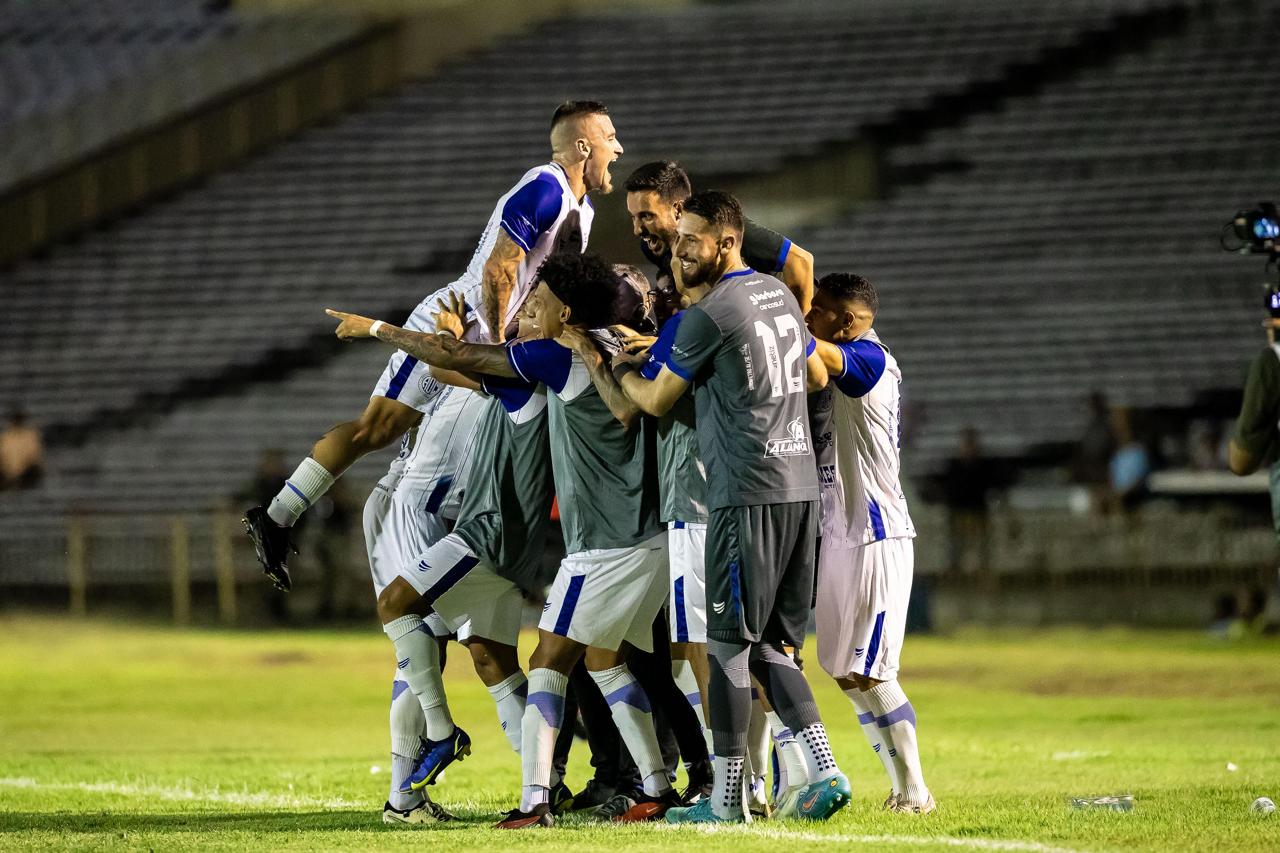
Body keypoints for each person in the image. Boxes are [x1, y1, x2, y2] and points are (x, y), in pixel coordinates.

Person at [613, 190, 849, 824]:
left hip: (743, 492)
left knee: (726, 648)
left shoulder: (710, 312)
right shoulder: (776, 296)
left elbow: (657, 401)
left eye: (692, 238)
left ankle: (725, 799)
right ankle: (825, 771)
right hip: (798, 489)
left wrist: (615, 370)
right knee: (772, 647)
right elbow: (819, 378)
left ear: (726, 241)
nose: (681, 249)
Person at [805, 272, 935, 815]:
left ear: (850, 321)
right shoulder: (844, 355)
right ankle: (898, 787)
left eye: (820, 310)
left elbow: (818, 356)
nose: (811, 318)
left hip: (876, 535)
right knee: (843, 671)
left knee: (875, 670)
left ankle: (917, 790)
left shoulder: (871, 359)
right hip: (839, 532)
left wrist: (770, 311)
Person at [938, 427, 997, 574]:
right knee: (956, 545)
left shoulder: (984, 466)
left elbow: (991, 486)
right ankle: (955, 573)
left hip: (977, 511)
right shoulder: (953, 466)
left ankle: (983, 572)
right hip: (958, 511)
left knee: (982, 546)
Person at [0, 407, 44, 491]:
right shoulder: (5, 437)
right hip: (7, 473)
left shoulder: (30, 436)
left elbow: (34, 457)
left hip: (26, 474)